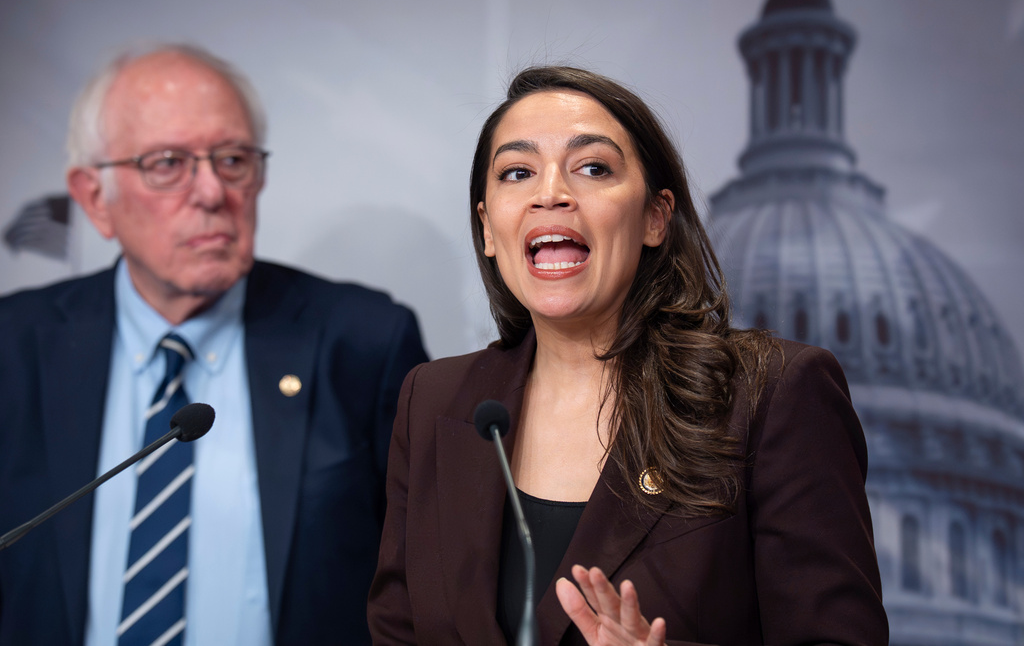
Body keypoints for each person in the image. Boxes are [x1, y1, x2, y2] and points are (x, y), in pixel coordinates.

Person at [368, 65, 888, 645]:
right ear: (489, 229)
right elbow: (398, 632)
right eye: (517, 172)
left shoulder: (772, 394)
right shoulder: (434, 401)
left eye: (593, 168)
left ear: (655, 217)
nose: (550, 194)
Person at [0, 44, 428, 646]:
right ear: (96, 198)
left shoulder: (364, 342)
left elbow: (429, 584)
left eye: (232, 159)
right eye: (168, 163)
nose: (211, 192)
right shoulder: (13, 348)